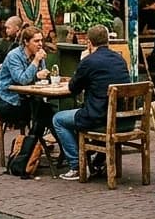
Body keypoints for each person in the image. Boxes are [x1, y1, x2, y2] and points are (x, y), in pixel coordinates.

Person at [52, 24, 132, 180]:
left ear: (89, 42)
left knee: (58, 119)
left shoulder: (89, 61)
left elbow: (73, 88)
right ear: (108, 41)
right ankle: (97, 161)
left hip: (99, 118)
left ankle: (77, 166)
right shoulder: (120, 59)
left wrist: (83, 61)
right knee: (83, 114)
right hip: (123, 119)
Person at [0, 26, 54, 136]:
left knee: (46, 111)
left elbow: (42, 76)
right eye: (36, 41)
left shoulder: (38, 54)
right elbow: (22, 80)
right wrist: (36, 61)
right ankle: (29, 147)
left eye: (41, 40)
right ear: (26, 42)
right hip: (7, 101)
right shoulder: (14, 56)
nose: (40, 44)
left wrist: (44, 75)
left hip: (26, 99)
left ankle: (28, 147)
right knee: (43, 113)